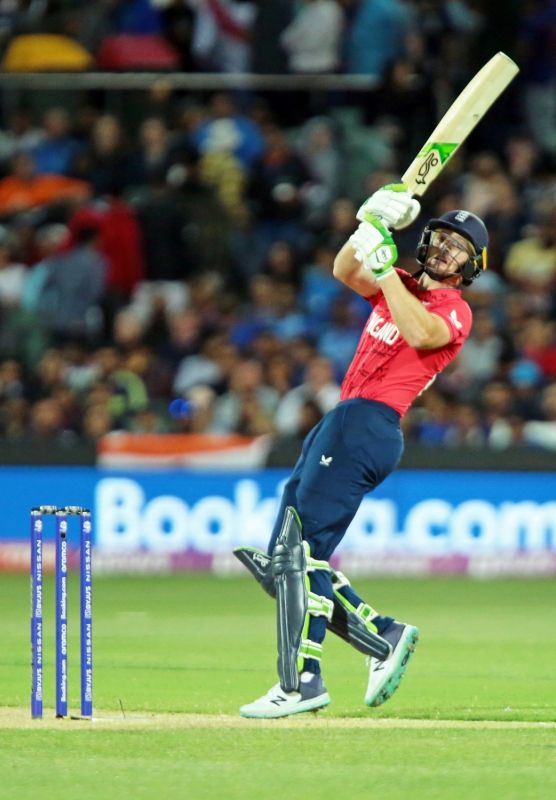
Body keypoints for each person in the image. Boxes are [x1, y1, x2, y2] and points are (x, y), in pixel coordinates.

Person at [235, 183, 488, 718]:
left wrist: (386, 267)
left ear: (471, 267)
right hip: (343, 419)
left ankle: (301, 682)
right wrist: (370, 223)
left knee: (300, 556)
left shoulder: (454, 310)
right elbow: (346, 270)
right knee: (285, 561)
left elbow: (421, 334)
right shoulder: (398, 284)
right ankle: (383, 636)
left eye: (459, 249)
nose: (446, 251)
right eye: (442, 239)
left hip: (370, 423)